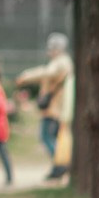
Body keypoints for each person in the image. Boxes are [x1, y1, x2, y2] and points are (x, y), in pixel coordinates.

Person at [17, 33, 75, 182]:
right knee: (52, 137)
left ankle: (60, 165)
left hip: (54, 107)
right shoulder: (63, 61)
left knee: (46, 136)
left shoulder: (60, 62)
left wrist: (26, 76)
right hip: (56, 107)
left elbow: (47, 73)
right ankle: (59, 165)